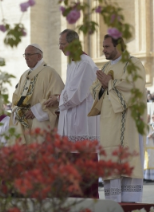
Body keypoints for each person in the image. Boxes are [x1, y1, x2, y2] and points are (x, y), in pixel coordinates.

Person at [89, 34, 147, 203]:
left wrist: (111, 83)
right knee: (111, 167)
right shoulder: (106, 66)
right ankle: (113, 205)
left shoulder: (134, 64)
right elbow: (94, 90)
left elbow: (136, 88)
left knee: (127, 164)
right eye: (103, 46)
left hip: (127, 124)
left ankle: (129, 205)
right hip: (108, 126)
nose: (103, 50)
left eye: (107, 47)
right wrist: (103, 86)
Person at [45, 29, 100, 198]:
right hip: (72, 123)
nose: (60, 47)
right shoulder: (72, 63)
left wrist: (58, 99)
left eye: (62, 43)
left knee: (83, 172)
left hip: (82, 124)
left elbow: (76, 95)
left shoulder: (85, 63)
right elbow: (69, 91)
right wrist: (60, 97)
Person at [10, 43, 64, 144]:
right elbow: (16, 98)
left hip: (41, 119)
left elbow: (58, 98)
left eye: (29, 55)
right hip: (24, 120)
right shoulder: (24, 75)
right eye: (25, 55)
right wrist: (18, 110)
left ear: (39, 56)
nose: (26, 58)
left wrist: (36, 110)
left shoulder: (50, 73)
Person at [144, 113, 154, 182]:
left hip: (151, 145)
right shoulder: (143, 126)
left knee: (151, 160)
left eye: (149, 118)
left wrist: (151, 135)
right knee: (146, 161)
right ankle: (146, 176)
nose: (149, 119)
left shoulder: (150, 127)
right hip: (146, 146)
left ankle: (151, 177)